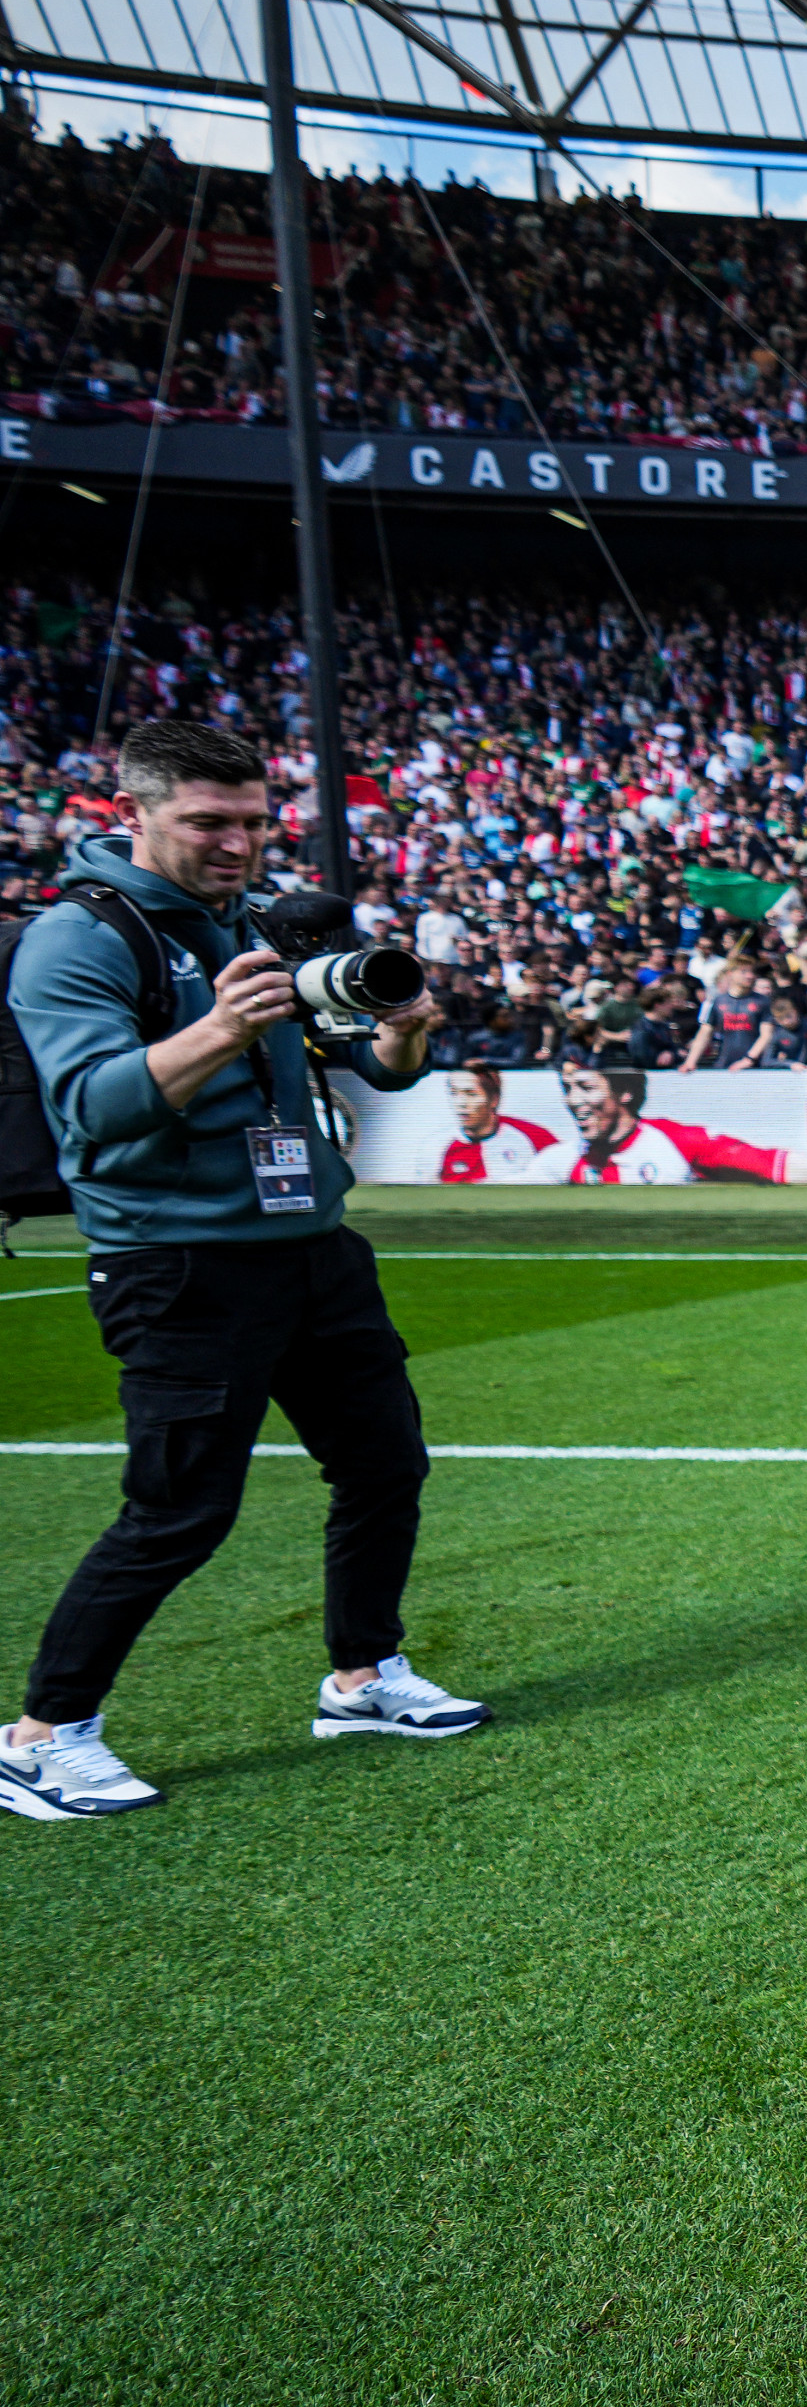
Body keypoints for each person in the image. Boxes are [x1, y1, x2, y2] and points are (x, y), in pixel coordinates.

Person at [2, 721, 487, 1822]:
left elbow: (382, 1070)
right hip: (178, 1263)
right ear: (135, 813)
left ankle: (363, 1679)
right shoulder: (79, 940)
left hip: (312, 1247)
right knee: (179, 1511)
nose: (235, 842)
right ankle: (41, 1734)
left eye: (254, 821)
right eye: (207, 821)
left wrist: (407, 1030)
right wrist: (222, 1026)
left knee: (384, 1464)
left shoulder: (256, 921)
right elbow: (91, 1107)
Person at [548, 1060, 807, 1185]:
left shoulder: (677, 1141)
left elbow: (769, 1164)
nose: (573, 1101)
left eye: (585, 1088)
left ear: (624, 1093)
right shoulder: (559, 1159)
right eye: (567, 1089)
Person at [436, 1064, 563, 1183]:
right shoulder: (437, 1145)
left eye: (471, 1094)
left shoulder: (533, 1137)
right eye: (454, 1093)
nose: (461, 1103)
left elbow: (563, 1175)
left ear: (494, 1099)